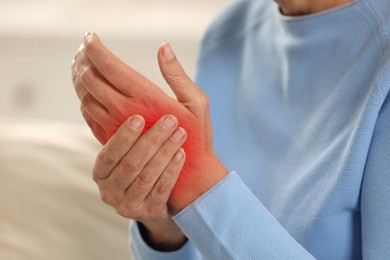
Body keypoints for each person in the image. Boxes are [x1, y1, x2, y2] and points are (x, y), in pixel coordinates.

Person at [71, 0, 390, 258]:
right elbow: (208, 242)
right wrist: (163, 224)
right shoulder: (230, 29)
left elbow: (207, 196)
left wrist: (196, 185)